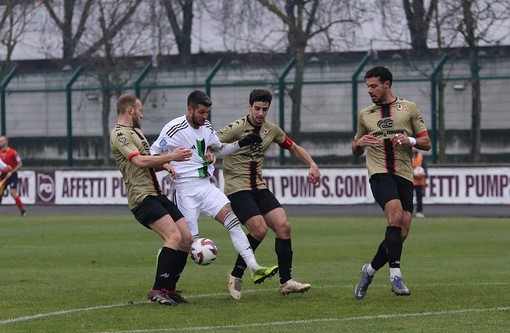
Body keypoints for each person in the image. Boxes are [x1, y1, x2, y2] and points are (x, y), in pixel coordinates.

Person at [150, 90, 278, 292]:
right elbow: (152, 153)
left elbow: (219, 149)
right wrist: (168, 161)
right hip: (185, 190)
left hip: (206, 186)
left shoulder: (207, 126)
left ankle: (254, 267)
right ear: (190, 109)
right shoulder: (173, 128)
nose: (204, 116)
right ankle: (166, 258)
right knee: (187, 241)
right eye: (201, 112)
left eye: (207, 112)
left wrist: (240, 144)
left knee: (233, 221)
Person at [216, 89, 321, 299]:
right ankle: (236, 274)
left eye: (265, 109)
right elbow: (212, 143)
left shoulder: (271, 130)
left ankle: (286, 282)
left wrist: (312, 164)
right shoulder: (236, 128)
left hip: (259, 187)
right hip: (237, 188)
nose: (260, 113)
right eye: (257, 108)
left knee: (284, 226)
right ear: (249, 107)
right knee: (259, 230)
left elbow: (293, 147)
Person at [352, 66, 431, 299]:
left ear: (387, 84)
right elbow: (355, 148)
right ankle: (396, 277)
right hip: (379, 173)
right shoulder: (365, 114)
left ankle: (370, 270)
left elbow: (426, 143)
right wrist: (359, 144)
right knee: (395, 217)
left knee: (401, 231)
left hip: (405, 175)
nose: (369, 90)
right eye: (367, 86)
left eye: (373, 86)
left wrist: (409, 139)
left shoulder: (408, 108)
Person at [110, 93, 194, 306]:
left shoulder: (137, 132)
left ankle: (170, 288)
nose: (142, 114)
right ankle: (157, 290)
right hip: (142, 198)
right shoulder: (119, 134)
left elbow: (147, 164)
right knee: (173, 236)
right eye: (140, 110)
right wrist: (170, 157)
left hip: (156, 194)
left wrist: (163, 165)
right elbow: (138, 161)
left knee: (186, 239)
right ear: (130, 110)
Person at [0, 136, 27, 216]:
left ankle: (23, 211)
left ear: (6, 142)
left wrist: (12, 171)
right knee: (0, 193)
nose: (0, 142)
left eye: (1, 141)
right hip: (3, 175)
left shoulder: (13, 152)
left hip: (12, 175)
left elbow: (20, 164)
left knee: (13, 192)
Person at [412, 147, 427, 218]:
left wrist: (424, 173)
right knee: (408, 197)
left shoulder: (420, 156)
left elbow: (425, 168)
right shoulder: (406, 155)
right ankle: (407, 211)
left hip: (419, 181)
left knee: (419, 198)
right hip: (410, 180)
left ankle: (419, 212)